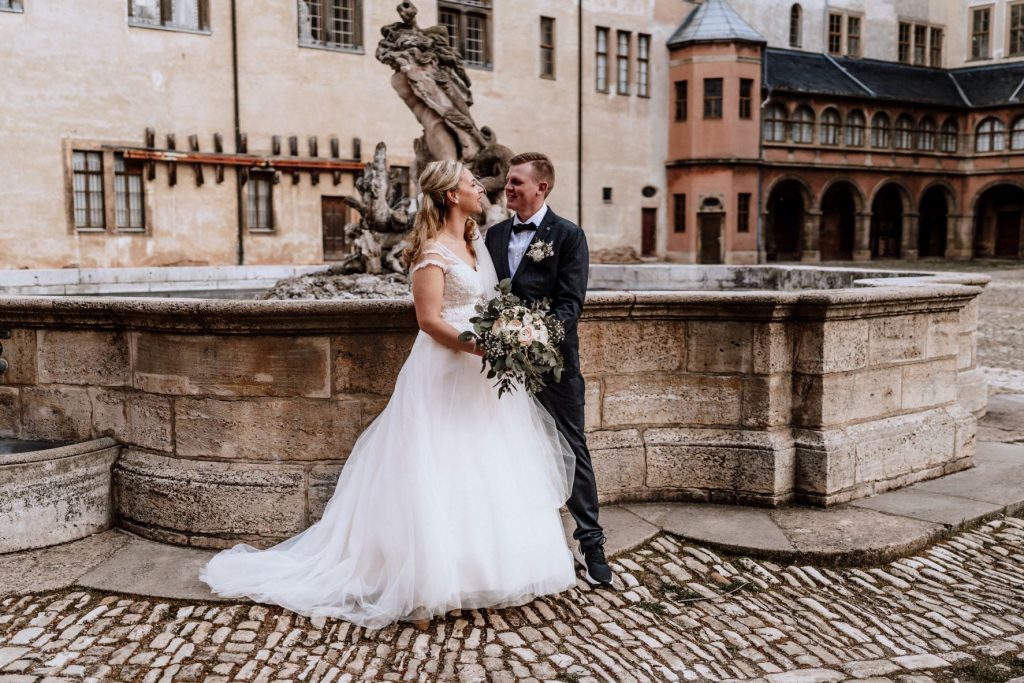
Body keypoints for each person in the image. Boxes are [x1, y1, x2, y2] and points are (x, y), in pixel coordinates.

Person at [200, 160, 578, 629]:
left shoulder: (478, 242)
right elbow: (429, 319)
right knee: (433, 469)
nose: (480, 188)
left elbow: (493, 304)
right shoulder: (431, 251)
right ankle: (426, 585)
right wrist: (481, 346)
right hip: (445, 369)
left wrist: (508, 335)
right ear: (449, 195)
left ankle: (476, 575)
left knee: (481, 465)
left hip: (483, 375)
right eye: (470, 183)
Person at [484, 152, 612, 586]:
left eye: (517, 181)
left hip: (553, 365)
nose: (509, 188)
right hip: (500, 366)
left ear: (542, 187)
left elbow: (570, 305)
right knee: (501, 448)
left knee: (572, 448)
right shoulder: (494, 236)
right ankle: (512, 544)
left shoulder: (569, 236)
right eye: (508, 181)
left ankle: (591, 543)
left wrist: (530, 339)